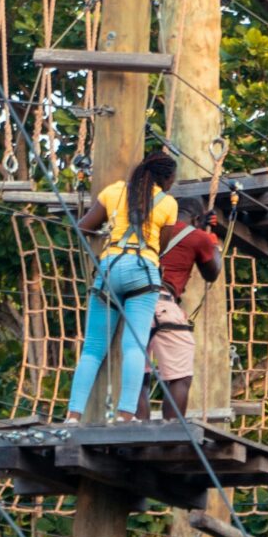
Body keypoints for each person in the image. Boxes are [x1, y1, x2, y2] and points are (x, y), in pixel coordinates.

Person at [62, 150, 179, 424]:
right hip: (143, 270)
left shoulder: (114, 191)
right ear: (166, 178)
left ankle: (73, 415)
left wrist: (107, 229)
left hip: (110, 267)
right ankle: (126, 415)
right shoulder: (168, 203)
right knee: (135, 346)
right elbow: (160, 246)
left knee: (92, 348)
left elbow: (83, 227)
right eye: (172, 180)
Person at [142, 201, 225, 421]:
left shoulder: (151, 228)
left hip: (133, 303)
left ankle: (137, 428)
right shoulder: (198, 237)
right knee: (180, 377)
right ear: (197, 219)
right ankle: (172, 430)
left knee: (140, 376)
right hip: (163, 304)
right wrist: (212, 241)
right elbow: (212, 273)